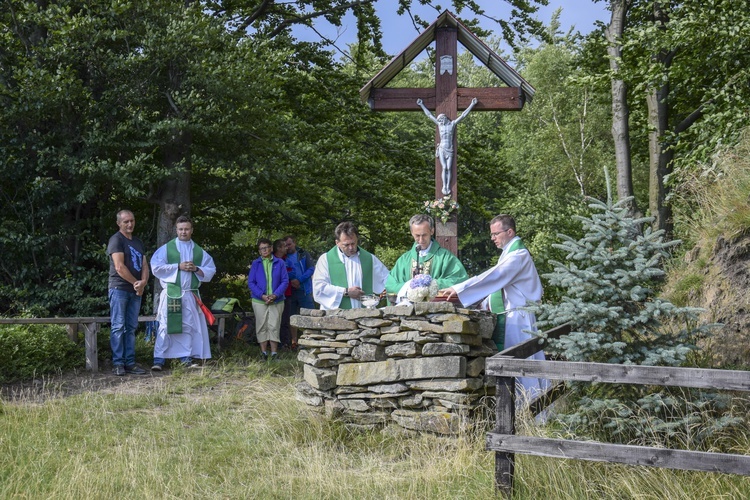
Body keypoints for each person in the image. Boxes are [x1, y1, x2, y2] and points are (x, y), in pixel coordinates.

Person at [440, 214, 549, 399]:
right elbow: (500, 289)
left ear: (510, 231)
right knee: (518, 365)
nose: (492, 238)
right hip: (513, 316)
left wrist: (459, 289)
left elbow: (494, 276)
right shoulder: (509, 253)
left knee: (521, 365)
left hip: (518, 319)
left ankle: (531, 410)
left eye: (495, 234)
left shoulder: (518, 255)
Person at [150, 216, 216, 370]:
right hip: (173, 293)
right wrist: (177, 266)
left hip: (190, 294)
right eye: (181, 229)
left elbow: (211, 269)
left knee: (188, 326)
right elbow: (156, 267)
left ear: (191, 230)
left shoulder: (198, 251)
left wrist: (196, 269)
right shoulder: (167, 249)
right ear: (176, 230)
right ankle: (159, 360)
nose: (183, 232)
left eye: (186, 229)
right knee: (166, 326)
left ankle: (185, 357)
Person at [385, 214, 469, 303]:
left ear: (432, 231)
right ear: (411, 232)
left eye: (424, 235)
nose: (421, 240)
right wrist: (409, 286)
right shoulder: (403, 260)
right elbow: (390, 285)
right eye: (417, 235)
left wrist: (433, 284)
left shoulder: (445, 257)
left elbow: (460, 280)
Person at [107, 209, 150, 376]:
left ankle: (130, 363)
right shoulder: (116, 240)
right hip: (119, 289)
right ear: (119, 223)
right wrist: (136, 283)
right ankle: (118, 363)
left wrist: (144, 282)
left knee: (131, 327)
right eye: (126, 222)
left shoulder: (138, 242)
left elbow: (145, 265)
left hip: (135, 290)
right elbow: (119, 267)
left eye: (132, 220)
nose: (130, 224)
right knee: (118, 326)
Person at [312, 222, 389, 310]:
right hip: (335, 316)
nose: (351, 248)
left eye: (353, 243)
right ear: (337, 243)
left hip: (364, 316)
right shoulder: (326, 259)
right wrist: (345, 292)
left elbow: (387, 280)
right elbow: (318, 288)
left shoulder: (369, 259)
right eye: (346, 245)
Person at [417, 97, 478, 195]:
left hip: (450, 148)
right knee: (444, 167)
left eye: (441, 119)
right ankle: (444, 186)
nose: (440, 121)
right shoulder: (440, 125)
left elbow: (463, 116)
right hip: (442, 148)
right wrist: (421, 105)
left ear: (445, 118)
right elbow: (429, 115)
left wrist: (472, 104)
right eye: (439, 120)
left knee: (449, 168)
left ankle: (447, 186)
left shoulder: (452, 124)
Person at [248, 238, 289, 361]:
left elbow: (285, 281)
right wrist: (262, 295)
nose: (264, 250)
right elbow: (251, 282)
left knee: (274, 325)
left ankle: (274, 353)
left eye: (266, 247)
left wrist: (275, 295)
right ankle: (264, 353)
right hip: (259, 300)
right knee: (261, 325)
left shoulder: (280, 263)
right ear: (259, 251)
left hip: (277, 300)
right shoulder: (256, 263)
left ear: (271, 248)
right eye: (261, 249)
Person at [283, 235, 315, 349]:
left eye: (289, 244)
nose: (287, 247)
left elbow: (311, 268)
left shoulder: (303, 253)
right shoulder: (283, 256)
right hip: (290, 291)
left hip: (304, 289)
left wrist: (299, 280)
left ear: (294, 243)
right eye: (285, 245)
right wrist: (291, 281)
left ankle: (310, 339)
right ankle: (294, 341)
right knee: (292, 317)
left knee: (309, 314)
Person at [273, 238, 293, 349]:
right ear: (279, 248)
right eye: (284, 246)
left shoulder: (287, 259)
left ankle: (284, 343)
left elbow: (293, 271)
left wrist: (283, 275)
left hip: (287, 293)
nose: (287, 248)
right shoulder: (271, 259)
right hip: (273, 295)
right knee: (274, 320)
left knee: (285, 319)